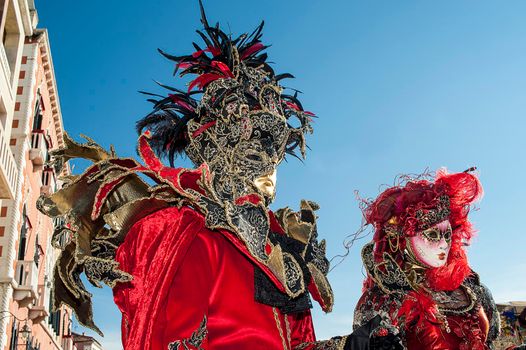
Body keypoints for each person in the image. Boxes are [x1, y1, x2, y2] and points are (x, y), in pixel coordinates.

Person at [38, 3, 403, 350]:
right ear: (217, 150)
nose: (268, 164)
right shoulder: (191, 238)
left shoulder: (283, 257)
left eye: (273, 151)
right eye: (253, 146)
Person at [353, 169, 501, 349]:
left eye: (447, 235)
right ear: (399, 239)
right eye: (432, 234)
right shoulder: (383, 300)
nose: (443, 244)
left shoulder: (474, 290)